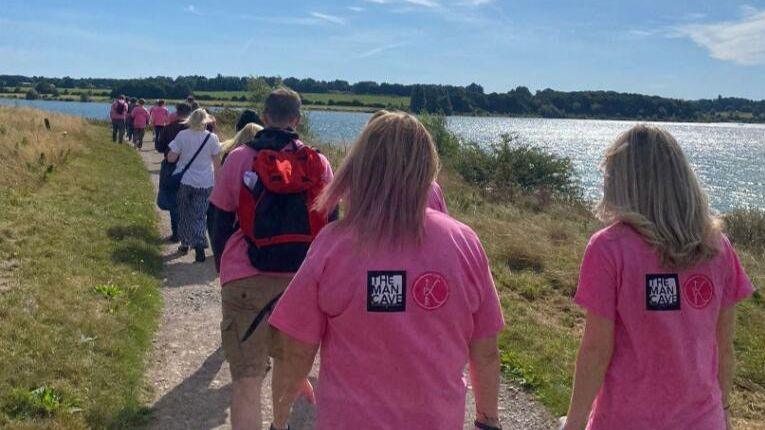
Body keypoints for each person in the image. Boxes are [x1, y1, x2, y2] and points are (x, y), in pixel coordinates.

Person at [268, 111, 505, 430]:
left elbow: (297, 344)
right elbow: (486, 351)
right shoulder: (464, 242)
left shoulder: (334, 245)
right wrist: (488, 420)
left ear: (360, 167)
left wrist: (285, 404)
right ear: (427, 169)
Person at [560, 125, 755, 430]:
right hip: (703, 419)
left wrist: (573, 423)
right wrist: (725, 411)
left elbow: (596, 351)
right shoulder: (717, 247)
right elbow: (724, 348)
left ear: (622, 181)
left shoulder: (608, 248)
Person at [208, 88, 334, 430]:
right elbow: (333, 226)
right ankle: (281, 426)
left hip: (246, 277)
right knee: (287, 367)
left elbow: (218, 218)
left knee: (247, 379)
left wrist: (224, 266)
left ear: (264, 117)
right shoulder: (318, 163)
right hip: (299, 282)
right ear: (297, 118)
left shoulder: (238, 158)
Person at [166, 109, 221, 262]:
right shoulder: (212, 138)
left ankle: (184, 244)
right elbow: (217, 165)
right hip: (205, 182)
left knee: (184, 213)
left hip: (185, 181)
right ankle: (199, 245)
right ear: (206, 121)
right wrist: (219, 184)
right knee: (199, 215)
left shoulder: (182, 135)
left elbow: (171, 158)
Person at [156, 102, 193, 242]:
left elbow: (159, 147)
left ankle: (177, 233)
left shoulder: (169, 128)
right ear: (190, 113)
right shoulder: (195, 129)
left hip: (172, 168)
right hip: (191, 168)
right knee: (190, 201)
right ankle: (189, 233)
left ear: (177, 112)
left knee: (174, 201)